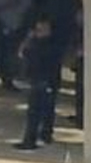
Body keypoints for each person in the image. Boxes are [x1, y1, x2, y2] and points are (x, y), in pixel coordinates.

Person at [14, 16, 62, 151]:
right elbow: (22, 53)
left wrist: (29, 40)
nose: (38, 32)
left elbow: (24, 53)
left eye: (42, 29)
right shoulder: (38, 43)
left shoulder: (46, 46)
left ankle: (32, 140)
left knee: (36, 112)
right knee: (43, 110)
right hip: (41, 81)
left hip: (44, 81)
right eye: (37, 29)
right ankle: (44, 135)